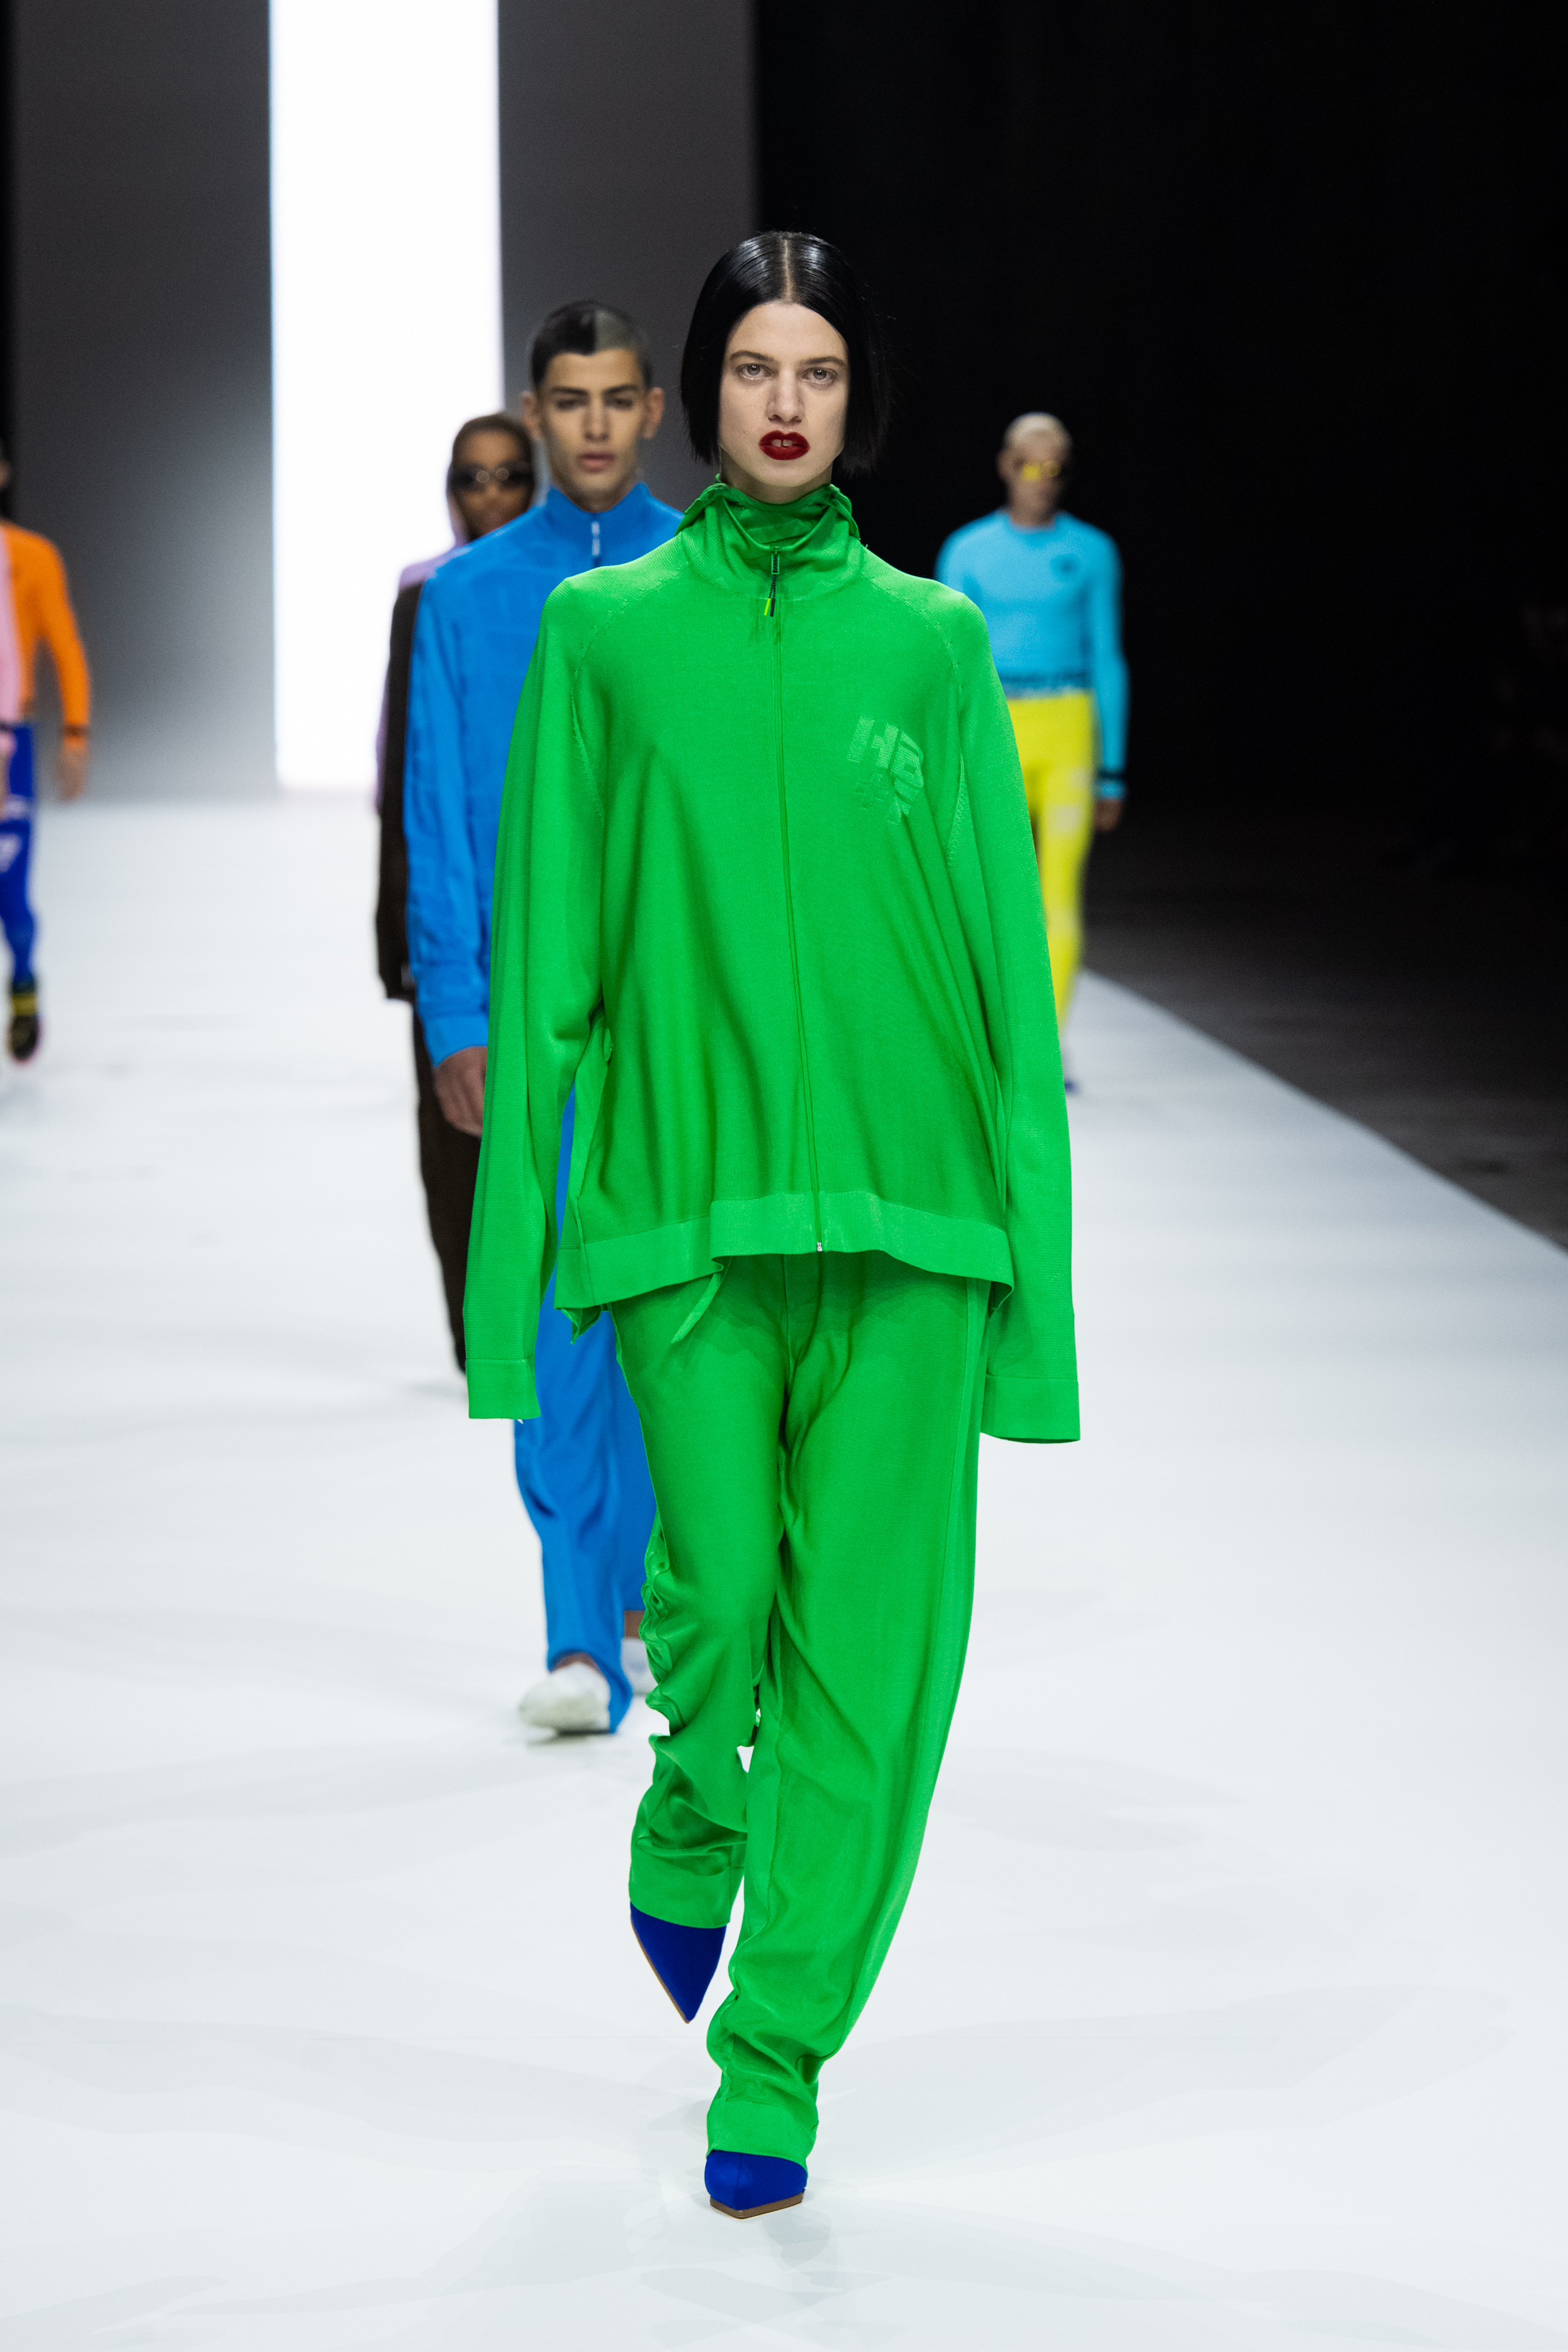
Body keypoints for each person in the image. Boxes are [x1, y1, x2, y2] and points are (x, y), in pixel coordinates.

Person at [463, 233, 1078, 2220]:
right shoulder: (605, 638)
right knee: (714, 1601)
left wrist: (1038, 1311)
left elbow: (1008, 987)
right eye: (752, 367)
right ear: (704, 393)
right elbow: (549, 959)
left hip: (914, 1222)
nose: (785, 401)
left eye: (817, 370)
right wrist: (508, 1290)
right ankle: (690, 1799)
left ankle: (778, 2048)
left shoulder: (932, 644)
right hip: (685, 1208)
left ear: (854, 397)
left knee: (870, 1668)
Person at [404, 303, 681, 1739]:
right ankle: (579, 1631)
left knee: (672, 1312)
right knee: (554, 1314)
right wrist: (456, 1011)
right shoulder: (465, 598)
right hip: (535, 1016)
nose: (591, 425)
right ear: (536, 411)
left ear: (651, 411)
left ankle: (650, 1603)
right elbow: (438, 816)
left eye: (615, 399)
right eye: (567, 400)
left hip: (682, 1011)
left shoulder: (705, 569)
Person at [376, 412, 535, 1357]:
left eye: (507, 475)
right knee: (454, 1130)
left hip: (549, 895)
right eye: (472, 478)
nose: (490, 495)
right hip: (446, 903)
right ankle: (477, 1335)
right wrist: (395, 933)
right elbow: (404, 773)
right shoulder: (424, 594)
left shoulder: (582, 589)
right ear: (449, 490)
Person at [937, 412, 1127, 1030]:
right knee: (990, 891)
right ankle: (996, 1036)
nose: (1040, 479)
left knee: (1058, 892)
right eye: (1028, 465)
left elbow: (1107, 656)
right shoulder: (967, 551)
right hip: (994, 726)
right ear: (1004, 466)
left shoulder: (1092, 552)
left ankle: (1047, 1041)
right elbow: (947, 663)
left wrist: (1113, 770)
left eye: (1054, 468)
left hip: (1069, 725)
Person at [0, 447, 92, 1061]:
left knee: (10, 891)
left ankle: (24, 980)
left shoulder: (31, 557)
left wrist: (75, 734)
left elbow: (64, 645)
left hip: (10, 739)